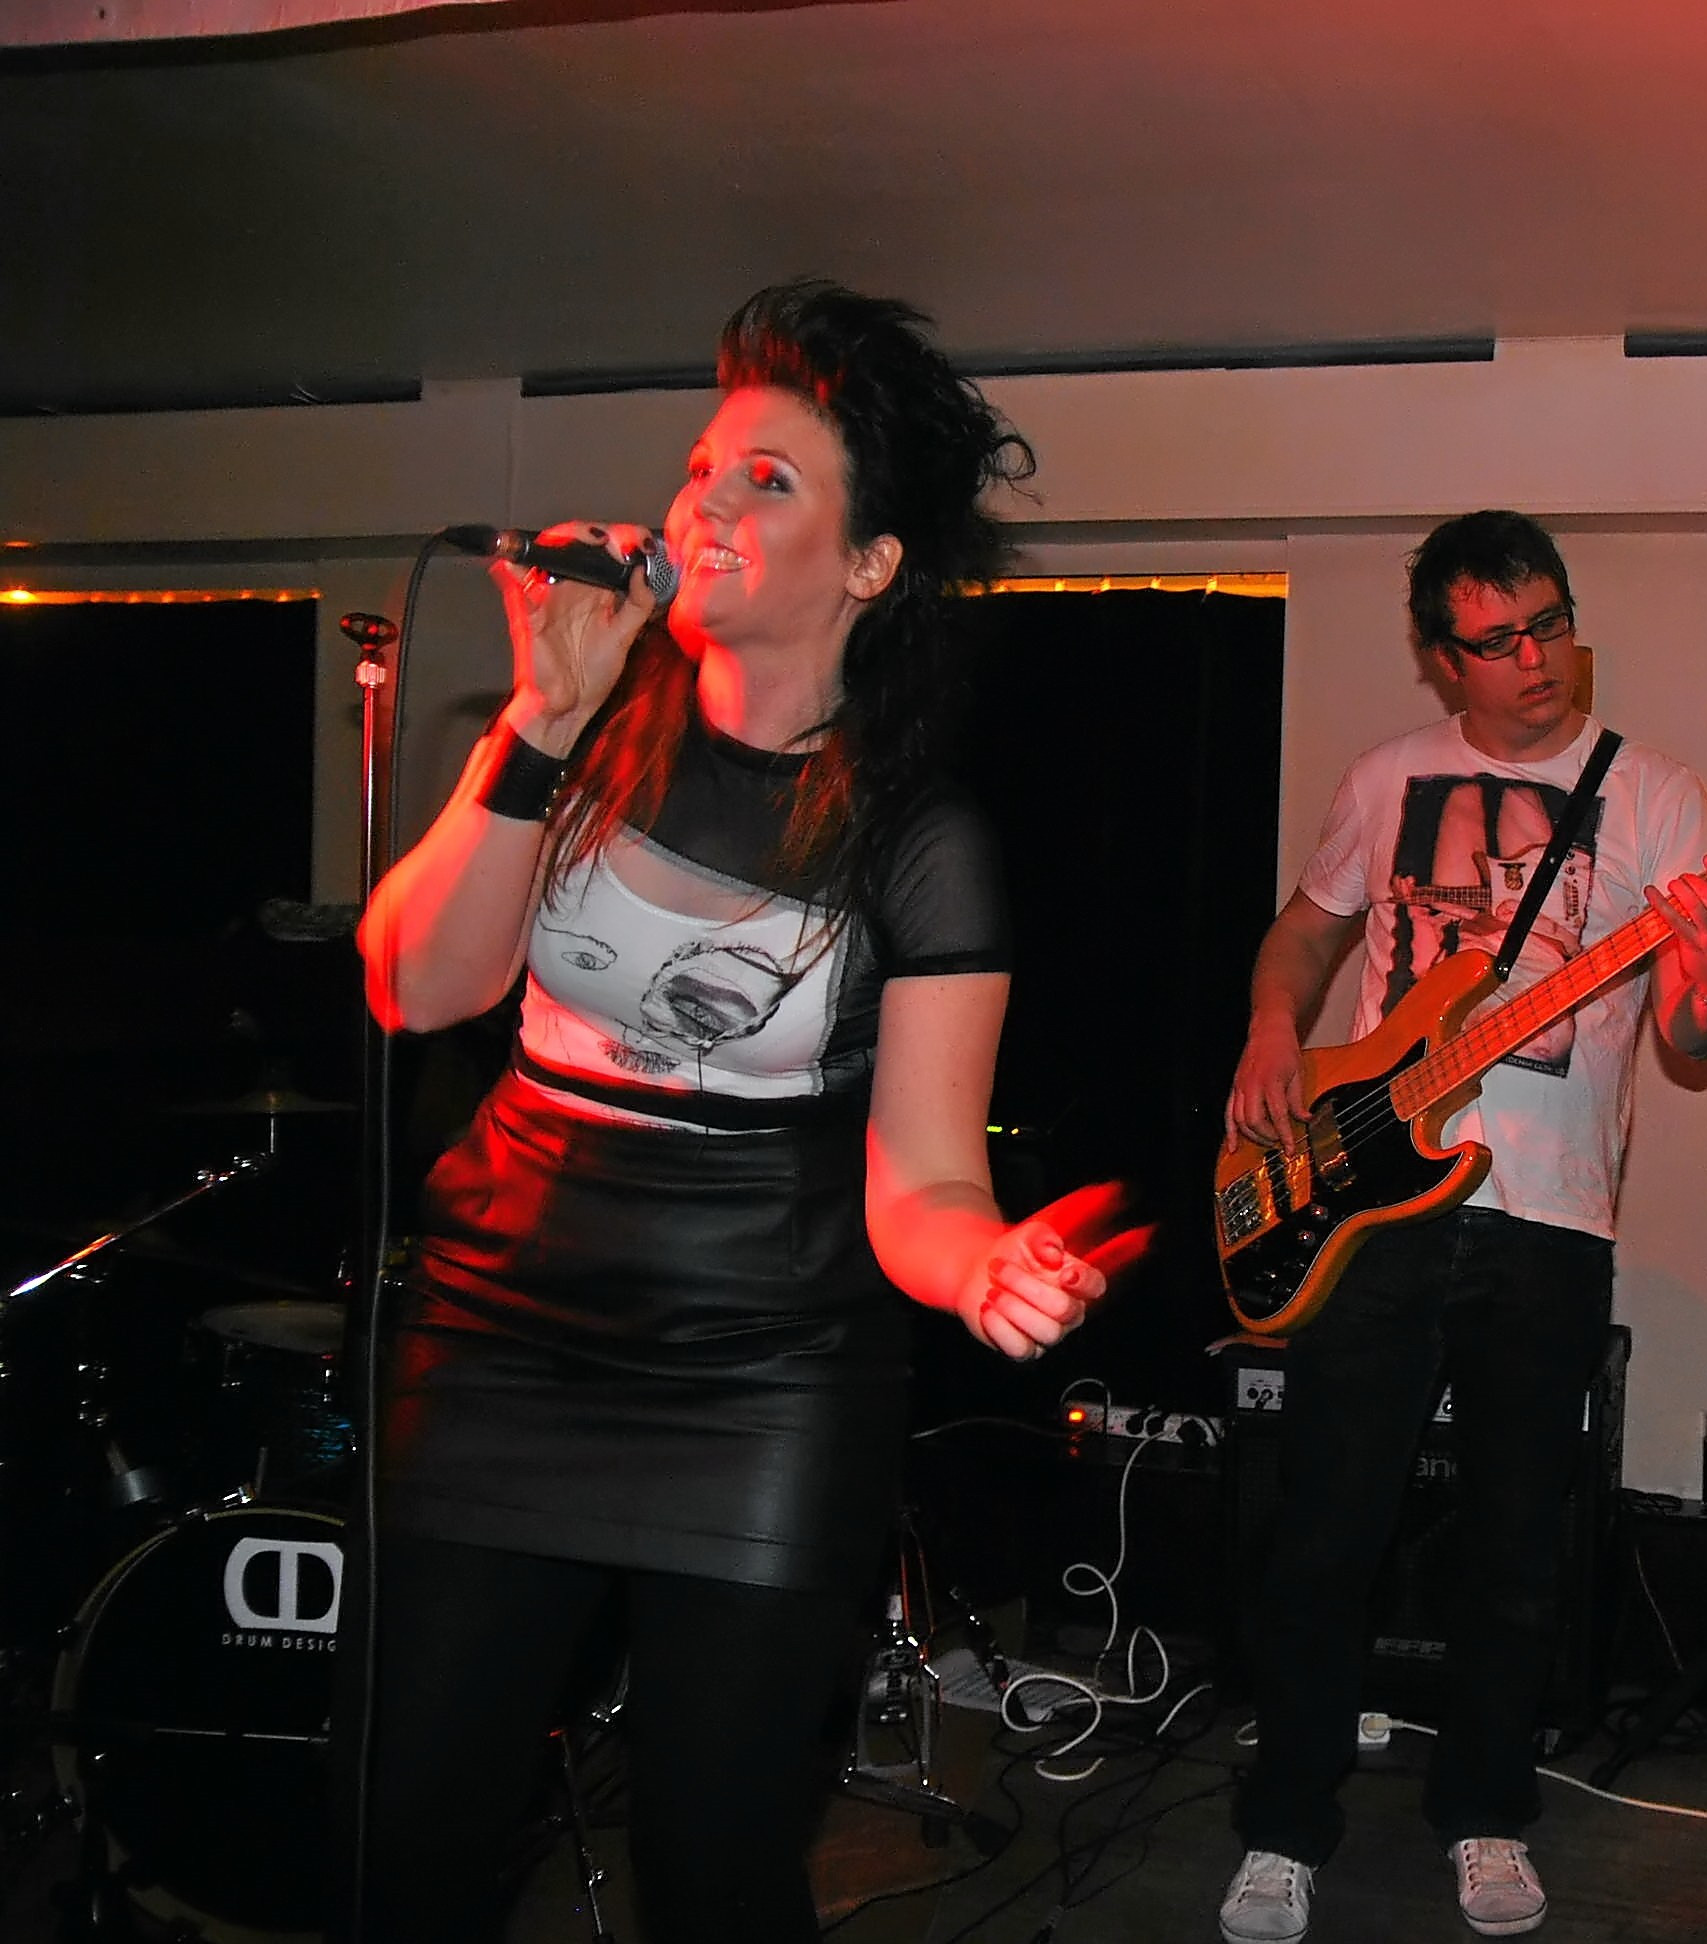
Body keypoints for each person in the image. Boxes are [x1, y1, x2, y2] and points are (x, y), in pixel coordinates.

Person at [350, 280, 1138, 1942]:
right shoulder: (584, 727)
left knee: (715, 1864)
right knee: (413, 1836)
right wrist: (537, 721)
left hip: (763, 1377)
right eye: (704, 466)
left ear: (871, 564)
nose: (706, 500)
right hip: (500, 1335)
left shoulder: (919, 838)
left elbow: (921, 1180)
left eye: (767, 480)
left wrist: (985, 1264)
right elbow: (416, 984)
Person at [1216, 510, 1707, 1942]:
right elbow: (1307, 931)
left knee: (1518, 1545)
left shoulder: (1658, 795)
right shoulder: (1386, 776)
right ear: (1441, 659)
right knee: (1326, 1534)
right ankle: (1284, 1826)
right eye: (1499, 639)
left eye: (1551, 623)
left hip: (1552, 1220)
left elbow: (1697, 1040)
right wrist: (1270, 1030)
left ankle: (1487, 1814)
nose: (1537, 658)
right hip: (1366, 1209)